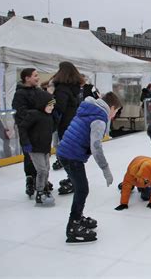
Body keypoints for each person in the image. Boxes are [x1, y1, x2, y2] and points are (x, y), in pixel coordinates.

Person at [57, 92, 121, 243]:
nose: (114, 115)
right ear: (111, 108)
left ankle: (78, 218)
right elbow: (96, 146)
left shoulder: (90, 109)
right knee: (82, 189)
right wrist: (106, 170)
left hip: (65, 152)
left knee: (81, 189)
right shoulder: (99, 119)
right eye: (116, 111)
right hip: (72, 156)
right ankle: (73, 226)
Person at [19, 92, 57, 206]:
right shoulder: (34, 114)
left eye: (53, 105)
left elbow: (49, 132)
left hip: (45, 148)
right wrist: (25, 143)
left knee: (47, 169)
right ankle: (40, 192)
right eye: (49, 105)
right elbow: (22, 128)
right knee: (42, 170)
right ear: (42, 104)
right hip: (34, 148)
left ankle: (45, 188)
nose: (52, 108)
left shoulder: (48, 116)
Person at [53, 61, 85, 193]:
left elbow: (60, 107)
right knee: (73, 153)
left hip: (65, 125)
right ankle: (74, 178)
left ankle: (74, 180)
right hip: (76, 123)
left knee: (67, 154)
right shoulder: (76, 87)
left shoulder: (62, 89)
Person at [12, 68, 44, 196]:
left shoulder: (38, 91)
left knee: (41, 157)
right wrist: (39, 113)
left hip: (40, 130)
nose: (38, 78)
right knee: (29, 157)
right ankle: (30, 180)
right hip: (28, 131)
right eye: (35, 76)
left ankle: (40, 180)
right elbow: (20, 113)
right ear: (27, 78)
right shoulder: (20, 94)